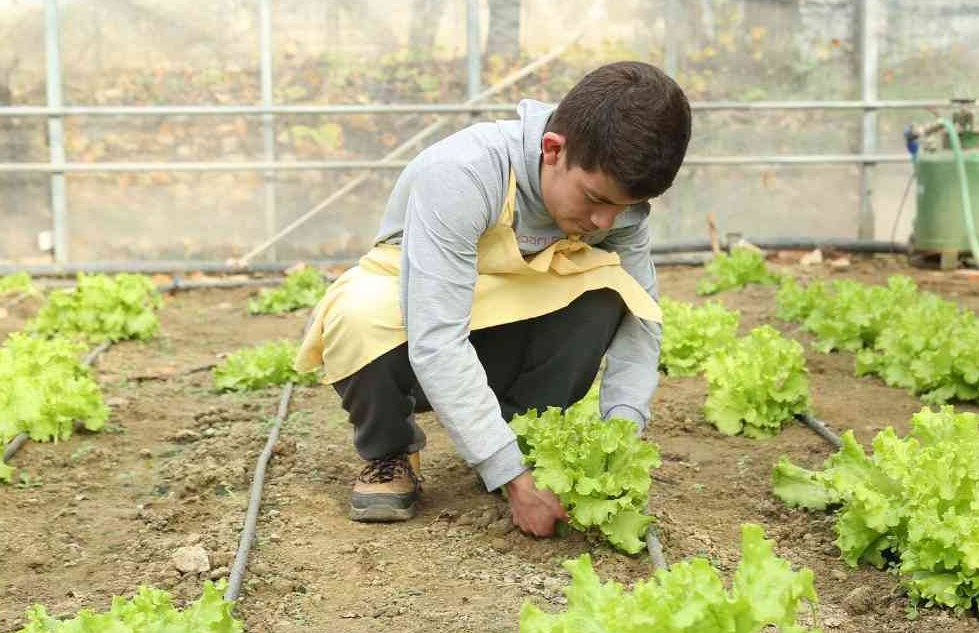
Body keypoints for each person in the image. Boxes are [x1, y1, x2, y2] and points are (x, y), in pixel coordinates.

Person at [296, 60, 691, 536]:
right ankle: (391, 452)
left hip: (508, 325)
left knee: (610, 291)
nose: (605, 222)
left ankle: (519, 437)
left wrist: (622, 434)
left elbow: (642, 318)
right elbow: (437, 336)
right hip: (419, 323)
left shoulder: (618, 207)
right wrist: (511, 478)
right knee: (358, 313)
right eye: (596, 200)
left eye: (623, 207)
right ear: (553, 150)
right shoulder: (462, 173)